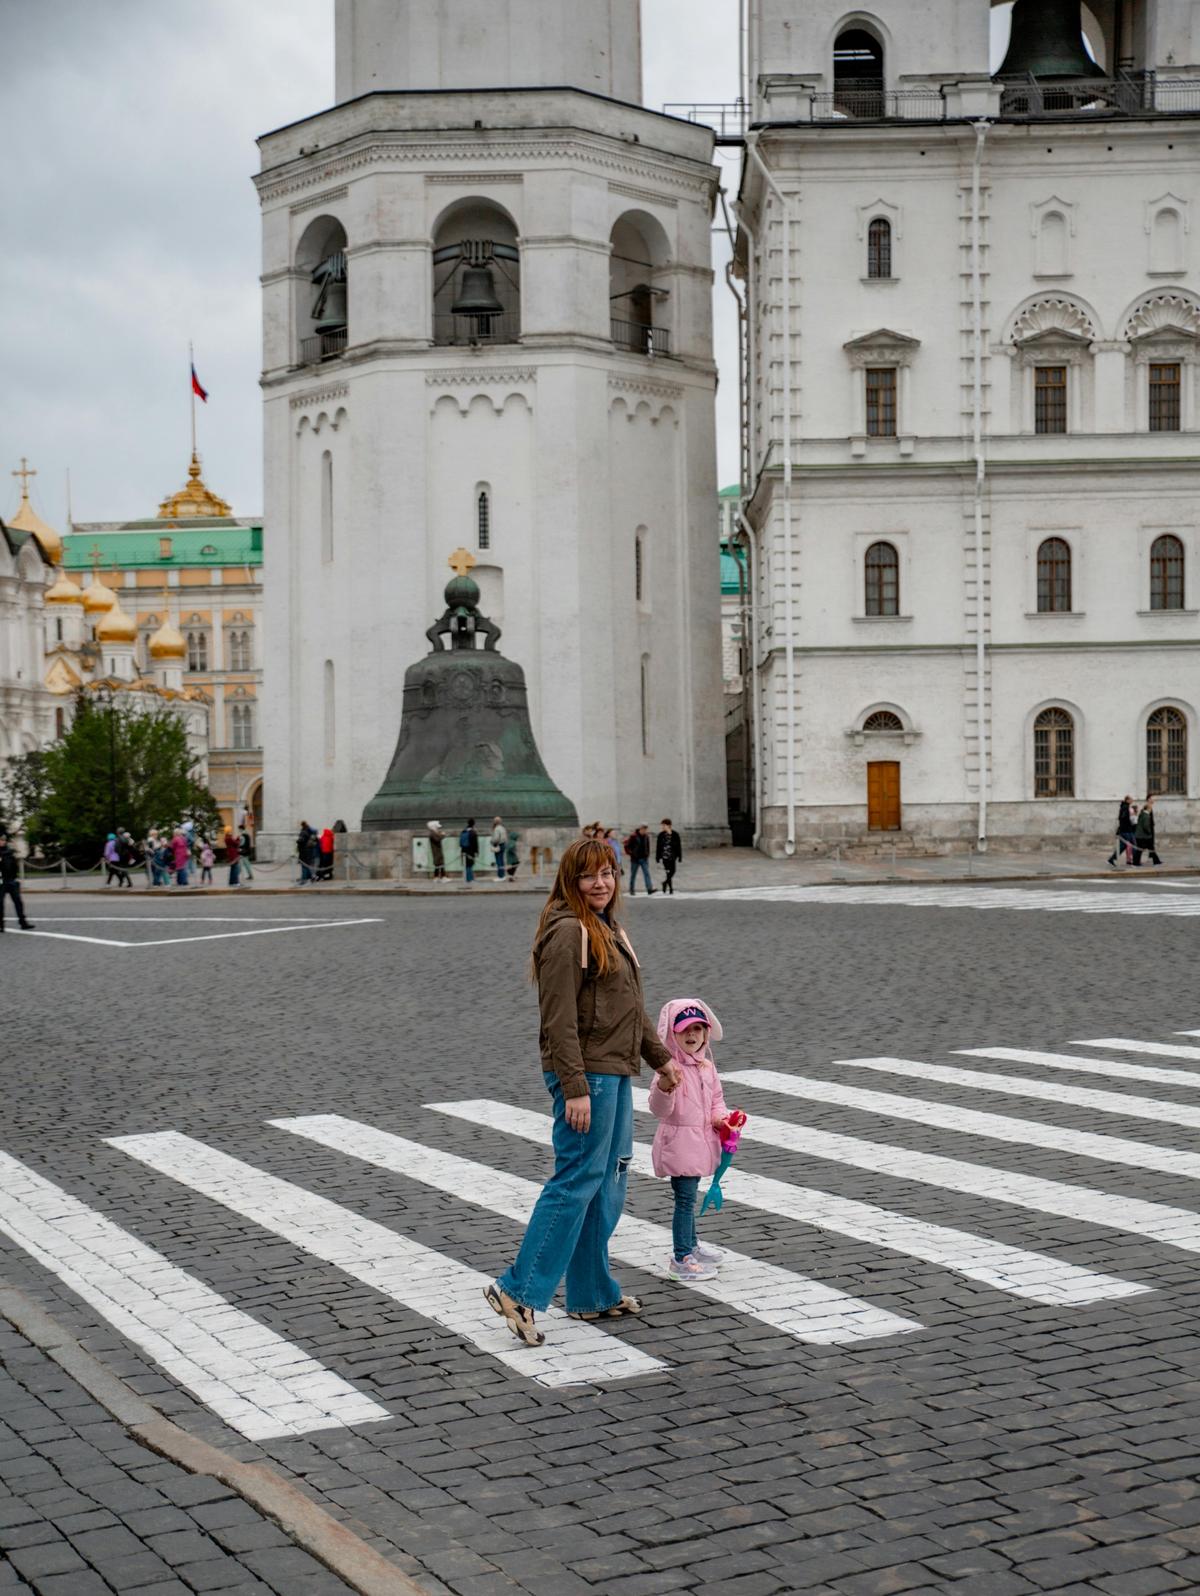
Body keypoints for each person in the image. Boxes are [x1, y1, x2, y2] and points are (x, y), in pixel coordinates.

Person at [485, 838, 681, 1346]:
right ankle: (518, 1289)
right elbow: (558, 1018)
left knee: (607, 1179)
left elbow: (631, 1005)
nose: (602, 883)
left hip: (613, 1071)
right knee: (577, 1179)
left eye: (609, 873)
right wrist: (574, 1088)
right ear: (571, 882)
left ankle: (592, 1292)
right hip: (587, 1076)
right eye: (590, 876)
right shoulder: (569, 931)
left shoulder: (606, 928)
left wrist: (660, 1059)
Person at [648, 1000, 731, 1282]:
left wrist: (722, 1119)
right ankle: (681, 1255)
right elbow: (659, 1109)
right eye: (685, 1031)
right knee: (684, 1199)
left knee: (690, 1196)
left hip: (701, 1142)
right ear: (672, 1035)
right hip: (679, 1143)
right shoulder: (669, 1069)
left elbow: (716, 1100)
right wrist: (665, 1087)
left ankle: (691, 1245)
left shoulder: (706, 1066)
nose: (692, 1035)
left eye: (698, 1029)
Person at [0, 833, 34, 932]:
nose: (2, 842)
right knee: (0, 904)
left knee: (18, 902)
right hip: (0, 881)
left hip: (11, 880)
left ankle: (23, 923)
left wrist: (15, 878)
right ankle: (1, 925)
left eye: (3, 840)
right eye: (0, 840)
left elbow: (14, 866)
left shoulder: (9, 852)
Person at [624, 824, 655, 896]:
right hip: (635, 859)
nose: (645, 831)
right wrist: (631, 853)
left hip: (644, 859)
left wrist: (647, 854)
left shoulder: (646, 837)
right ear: (640, 829)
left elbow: (648, 846)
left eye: (646, 829)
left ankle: (649, 889)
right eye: (644, 829)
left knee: (647, 874)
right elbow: (627, 846)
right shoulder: (633, 836)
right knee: (633, 875)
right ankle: (631, 889)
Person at [655, 819, 683, 895]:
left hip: (672, 857)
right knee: (668, 872)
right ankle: (671, 889)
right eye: (662, 825)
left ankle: (665, 883)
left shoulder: (675, 834)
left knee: (673, 871)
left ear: (669, 825)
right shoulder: (661, 835)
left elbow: (678, 846)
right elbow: (658, 847)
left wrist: (680, 856)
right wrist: (657, 857)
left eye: (664, 825)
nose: (663, 827)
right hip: (665, 857)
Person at [1107, 796, 1136, 868]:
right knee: (1133, 844)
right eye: (1131, 799)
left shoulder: (1125, 807)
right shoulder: (1125, 808)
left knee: (1123, 846)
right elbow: (1123, 818)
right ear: (1127, 800)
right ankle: (1134, 862)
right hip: (1126, 830)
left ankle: (1112, 859)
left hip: (1125, 829)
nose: (1132, 800)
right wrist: (1130, 823)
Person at [1134, 795, 1162, 867]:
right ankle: (1156, 861)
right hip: (1145, 835)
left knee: (1142, 848)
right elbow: (1146, 826)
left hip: (1141, 835)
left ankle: (1155, 861)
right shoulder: (1146, 815)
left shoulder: (1142, 813)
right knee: (1147, 848)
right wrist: (1149, 832)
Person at [459, 818, 479, 886]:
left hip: (463, 850)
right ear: (473, 824)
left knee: (466, 865)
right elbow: (475, 844)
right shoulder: (473, 832)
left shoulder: (463, 831)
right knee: (470, 865)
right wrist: (477, 852)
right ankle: (470, 879)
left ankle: (468, 878)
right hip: (470, 851)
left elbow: (460, 843)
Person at [490, 817, 508, 881]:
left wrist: (492, 841)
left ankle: (500, 876)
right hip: (503, 845)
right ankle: (503, 875)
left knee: (498, 861)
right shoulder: (503, 828)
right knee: (501, 860)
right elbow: (505, 837)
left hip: (498, 845)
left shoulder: (497, 829)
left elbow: (496, 839)